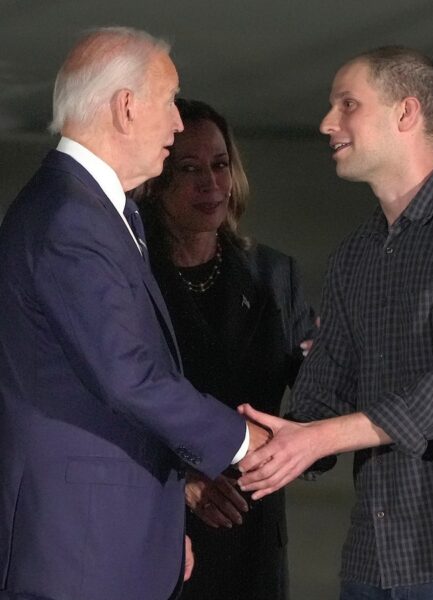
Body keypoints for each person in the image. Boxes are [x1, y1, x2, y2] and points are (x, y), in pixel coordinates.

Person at [238, 46, 433, 599]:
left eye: (347, 104)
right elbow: (320, 400)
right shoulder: (355, 255)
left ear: (406, 114)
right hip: (375, 561)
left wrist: (311, 440)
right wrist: (246, 443)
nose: (327, 123)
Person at [0, 27, 270, 600]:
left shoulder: (98, 209)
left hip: (105, 535)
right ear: (126, 107)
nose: (177, 124)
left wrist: (159, 520)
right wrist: (249, 441)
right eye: (169, 102)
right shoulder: (69, 219)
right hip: (79, 549)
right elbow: (130, 376)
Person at [136, 98, 316, 600]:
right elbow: (114, 402)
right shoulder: (131, 275)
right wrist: (181, 482)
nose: (210, 183)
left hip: (253, 530)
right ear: (155, 180)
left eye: (219, 165)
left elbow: (319, 395)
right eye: (188, 169)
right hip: (162, 531)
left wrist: (294, 441)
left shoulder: (273, 273)